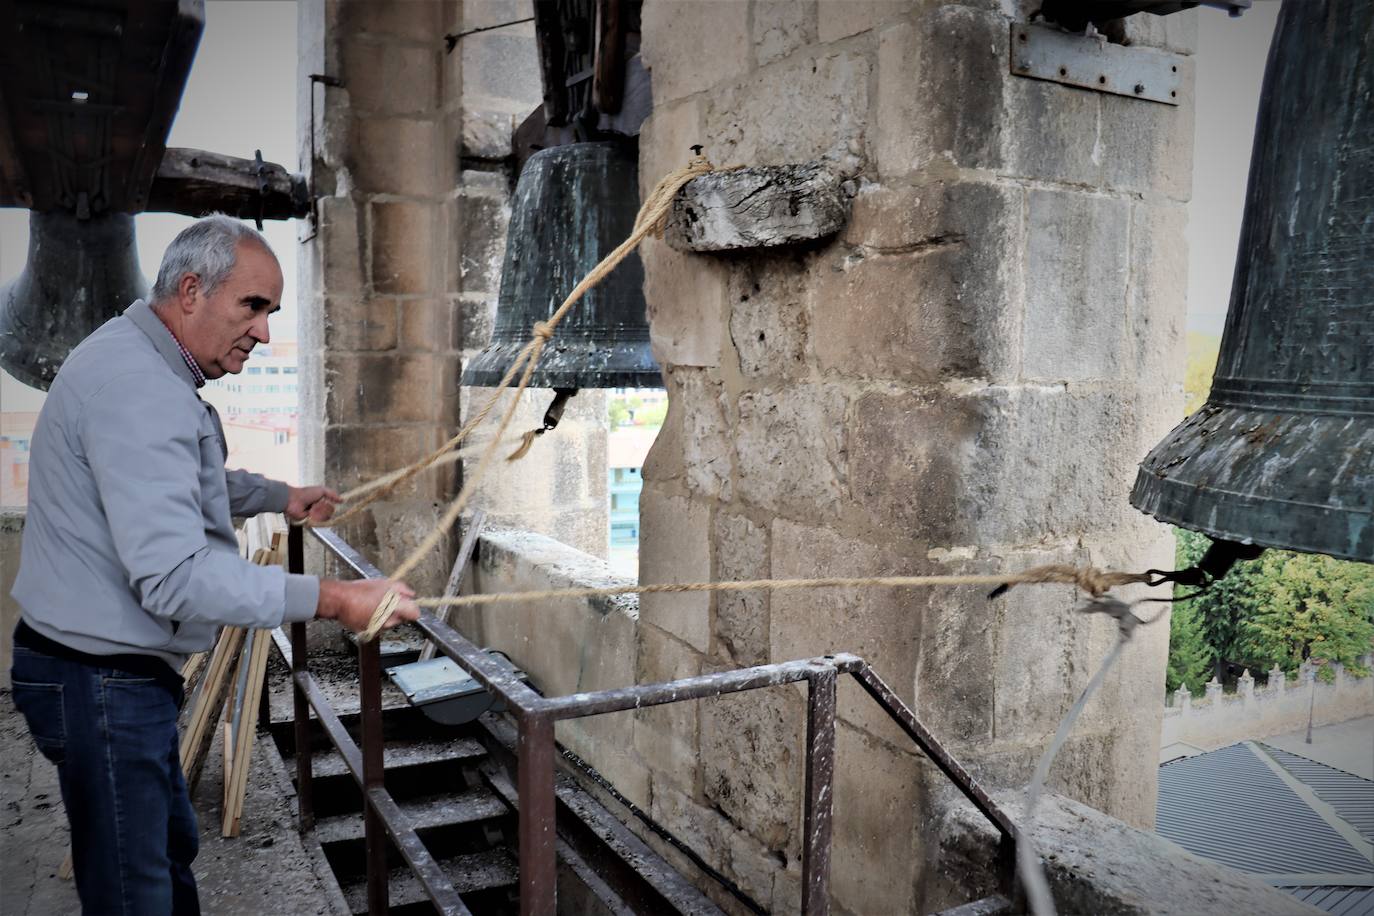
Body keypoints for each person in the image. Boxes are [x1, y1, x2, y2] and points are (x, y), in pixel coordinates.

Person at [8, 215, 420, 914]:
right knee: (137, 894)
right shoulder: (141, 392)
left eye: (271, 313)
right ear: (191, 290)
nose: (263, 332)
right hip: (101, 681)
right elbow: (175, 575)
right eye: (252, 307)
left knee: (167, 855)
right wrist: (331, 597)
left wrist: (279, 496)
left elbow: (177, 481)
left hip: (95, 670)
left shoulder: (134, 362)